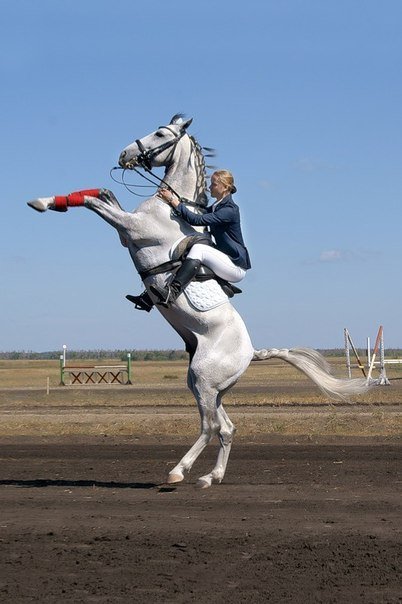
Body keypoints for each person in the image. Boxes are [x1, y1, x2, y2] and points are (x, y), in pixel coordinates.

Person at [150, 170, 251, 307]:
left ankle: (172, 293)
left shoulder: (229, 210)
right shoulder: (216, 207)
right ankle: (148, 298)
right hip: (224, 259)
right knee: (192, 244)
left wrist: (173, 200)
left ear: (225, 187)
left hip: (235, 266)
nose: (210, 188)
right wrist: (176, 200)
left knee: (199, 249)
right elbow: (197, 211)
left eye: (213, 184)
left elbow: (196, 220)